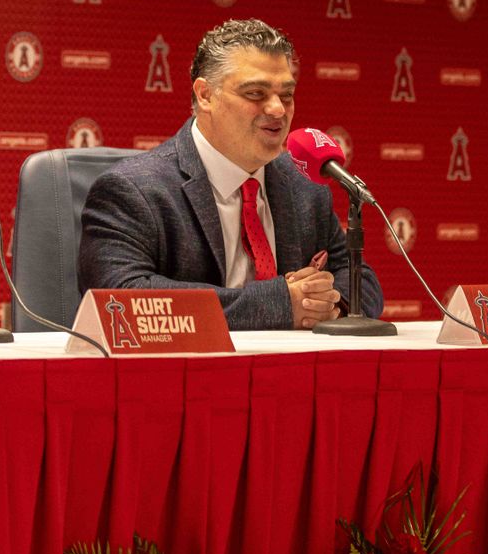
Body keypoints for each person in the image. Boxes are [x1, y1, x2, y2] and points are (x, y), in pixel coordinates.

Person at [78, 18, 384, 329]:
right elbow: (119, 297)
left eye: (287, 95)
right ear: (205, 95)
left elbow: (359, 278)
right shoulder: (133, 190)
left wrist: (330, 304)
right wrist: (278, 304)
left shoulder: (305, 186)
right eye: (255, 93)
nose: (278, 109)